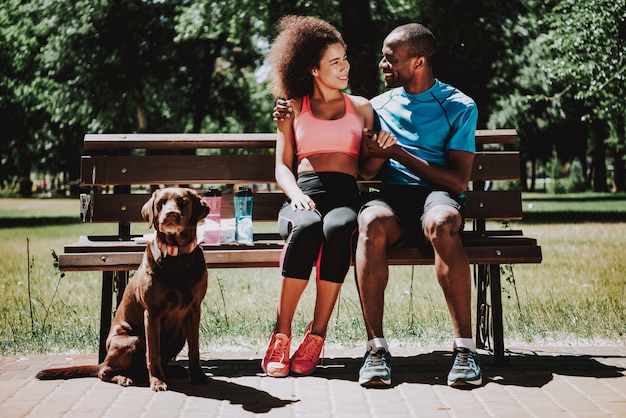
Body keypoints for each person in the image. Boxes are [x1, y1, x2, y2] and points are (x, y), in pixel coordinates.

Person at [273, 22, 481, 388]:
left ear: (418, 61)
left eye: (390, 59)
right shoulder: (378, 105)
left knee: (441, 221)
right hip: (389, 197)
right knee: (368, 221)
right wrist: (373, 154)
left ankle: (465, 350)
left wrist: (394, 152)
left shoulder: (458, 105)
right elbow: (366, 160)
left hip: (436, 195)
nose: (381, 65)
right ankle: (375, 350)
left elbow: (457, 181)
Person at [262, 15, 395, 378]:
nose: (345, 67)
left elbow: (368, 169)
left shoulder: (362, 108)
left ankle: (316, 334)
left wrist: (380, 148)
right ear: (313, 70)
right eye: (334, 62)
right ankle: (282, 332)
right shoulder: (293, 107)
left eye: (345, 59)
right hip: (302, 195)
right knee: (306, 226)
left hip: (344, 196)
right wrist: (295, 197)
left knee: (340, 226)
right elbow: (282, 166)